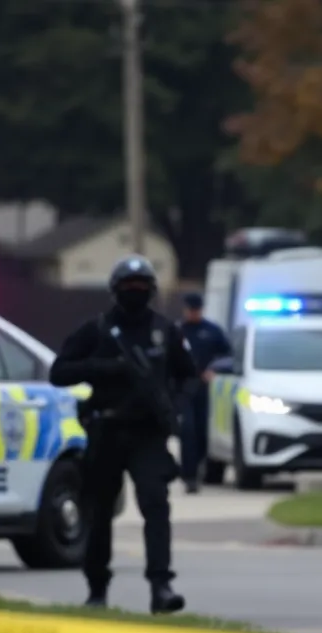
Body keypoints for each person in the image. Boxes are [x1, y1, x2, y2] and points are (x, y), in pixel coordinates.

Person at [49, 255, 198, 614]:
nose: (135, 292)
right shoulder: (98, 330)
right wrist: (104, 368)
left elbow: (189, 376)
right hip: (107, 431)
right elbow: (59, 372)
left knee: (156, 506)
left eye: (142, 286)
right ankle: (97, 588)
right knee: (99, 511)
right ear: (115, 291)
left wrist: (174, 405)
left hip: (148, 434)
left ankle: (161, 586)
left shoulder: (165, 331)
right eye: (129, 286)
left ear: (152, 290)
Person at [176, 292, 232, 493]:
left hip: (205, 388)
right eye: (190, 310)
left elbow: (227, 355)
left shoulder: (212, 331)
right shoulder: (177, 331)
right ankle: (189, 475)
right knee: (187, 431)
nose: (193, 313)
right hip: (183, 387)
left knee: (202, 432)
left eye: (196, 310)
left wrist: (214, 370)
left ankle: (198, 467)